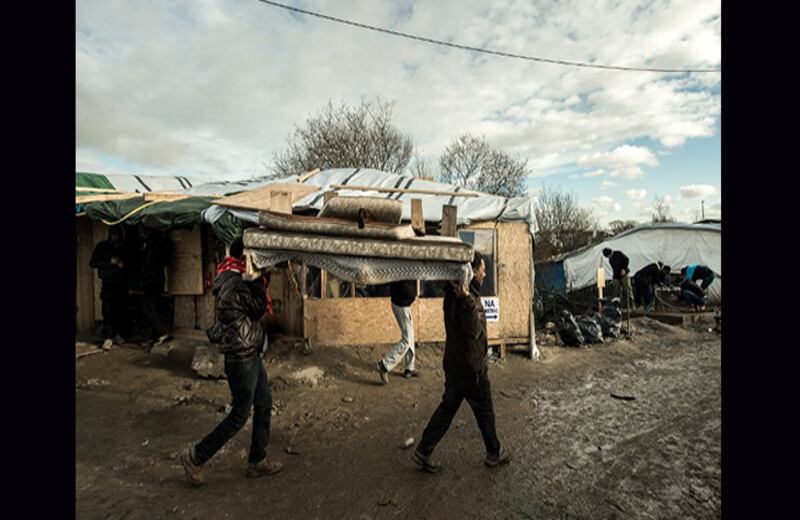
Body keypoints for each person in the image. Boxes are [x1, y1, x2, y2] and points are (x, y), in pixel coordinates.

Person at [181, 237, 281, 486]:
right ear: (245, 260)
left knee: (265, 404)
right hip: (241, 359)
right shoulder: (235, 284)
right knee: (238, 415)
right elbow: (258, 307)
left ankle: (257, 460)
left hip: (250, 355)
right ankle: (196, 456)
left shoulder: (235, 279)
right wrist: (258, 279)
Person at [412, 252, 511, 473]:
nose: (485, 273)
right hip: (470, 368)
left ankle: (423, 450)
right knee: (484, 409)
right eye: (483, 269)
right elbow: (474, 331)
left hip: (455, 364)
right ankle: (494, 453)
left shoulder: (451, 294)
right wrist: (467, 300)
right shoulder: (466, 298)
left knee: (447, 409)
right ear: (473, 271)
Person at [89, 225, 129, 350]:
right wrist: (109, 262)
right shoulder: (102, 247)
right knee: (108, 310)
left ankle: (117, 334)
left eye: (117, 234)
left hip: (122, 283)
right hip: (108, 283)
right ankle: (108, 337)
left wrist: (124, 264)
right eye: (113, 233)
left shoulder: (124, 247)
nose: (114, 236)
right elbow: (93, 263)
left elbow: (133, 263)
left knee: (120, 310)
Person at [377, 280, 419, 384]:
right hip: (401, 305)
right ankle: (385, 365)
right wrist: (413, 294)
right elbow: (408, 291)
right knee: (407, 340)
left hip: (401, 303)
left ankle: (409, 367)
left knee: (410, 336)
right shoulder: (401, 272)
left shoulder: (401, 269)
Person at [137, 225, 171, 346]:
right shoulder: (146, 244)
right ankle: (154, 335)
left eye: (144, 231)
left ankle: (162, 332)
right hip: (151, 279)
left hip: (152, 279)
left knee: (148, 307)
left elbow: (151, 263)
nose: (142, 234)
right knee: (153, 307)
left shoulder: (154, 244)